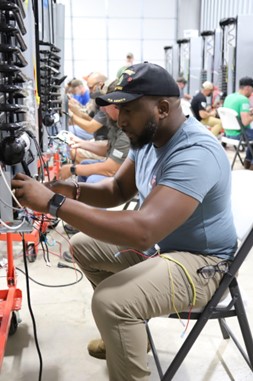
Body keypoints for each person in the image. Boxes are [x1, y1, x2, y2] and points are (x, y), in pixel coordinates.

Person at [12, 63, 237, 381]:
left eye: (128, 110)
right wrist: (69, 189)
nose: (121, 119)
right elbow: (116, 189)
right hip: (167, 246)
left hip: (205, 265)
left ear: (161, 108)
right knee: (82, 245)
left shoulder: (195, 152)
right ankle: (127, 338)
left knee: (112, 302)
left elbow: (143, 231)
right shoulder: (148, 140)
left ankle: (120, 325)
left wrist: (54, 203)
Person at [60, 80, 130, 182]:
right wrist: (81, 143)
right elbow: (108, 148)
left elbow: (111, 169)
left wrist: (73, 169)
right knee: (85, 164)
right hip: (116, 164)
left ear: (117, 107)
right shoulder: (116, 123)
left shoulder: (126, 130)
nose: (102, 109)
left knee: (93, 179)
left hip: (125, 175)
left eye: (105, 104)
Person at [223, 76, 253, 170]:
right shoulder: (244, 100)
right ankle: (250, 163)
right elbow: (245, 122)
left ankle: (248, 161)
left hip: (228, 134)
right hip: (239, 135)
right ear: (248, 87)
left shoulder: (229, 97)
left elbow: (236, 114)